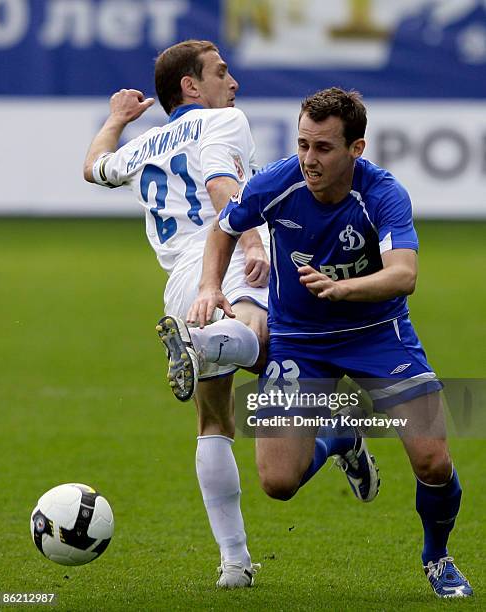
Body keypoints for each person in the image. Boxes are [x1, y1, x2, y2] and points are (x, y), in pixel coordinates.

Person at [187, 88, 473, 598]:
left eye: (323, 148)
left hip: (377, 336)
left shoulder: (383, 193)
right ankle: (341, 436)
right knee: (277, 483)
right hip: (298, 342)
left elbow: (404, 275)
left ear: (355, 149)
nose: (308, 160)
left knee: (433, 460)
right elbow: (224, 226)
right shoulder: (277, 182)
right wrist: (210, 284)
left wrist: (343, 289)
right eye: (302, 145)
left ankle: (438, 556)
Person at [83, 39, 271, 588]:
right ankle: (207, 343)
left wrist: (116, 119)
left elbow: (93, 168)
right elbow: (222, 186)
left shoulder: (143, 145)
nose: (232, 83)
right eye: (220, 72)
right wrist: (253, 242)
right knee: (264, 340)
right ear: (191, 86)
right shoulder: (225, 121)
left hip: (179, 285)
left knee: (215, 422)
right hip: (224, 252)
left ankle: (234, 563)